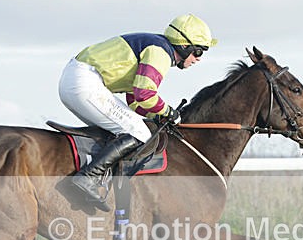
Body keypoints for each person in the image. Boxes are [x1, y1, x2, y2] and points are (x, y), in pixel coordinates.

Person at [59, 14, 217, 210]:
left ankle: (96, 177)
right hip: (84, 82)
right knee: (139, 132)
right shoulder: (160, 52)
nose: (198, 59)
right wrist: (168, 112)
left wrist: (157, 115)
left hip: (77, 80)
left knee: (124, 129)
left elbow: (134, 101)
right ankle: (88, 177)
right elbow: (145, 94)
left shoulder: (156, 46)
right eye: (198, 52)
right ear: (185, 46)